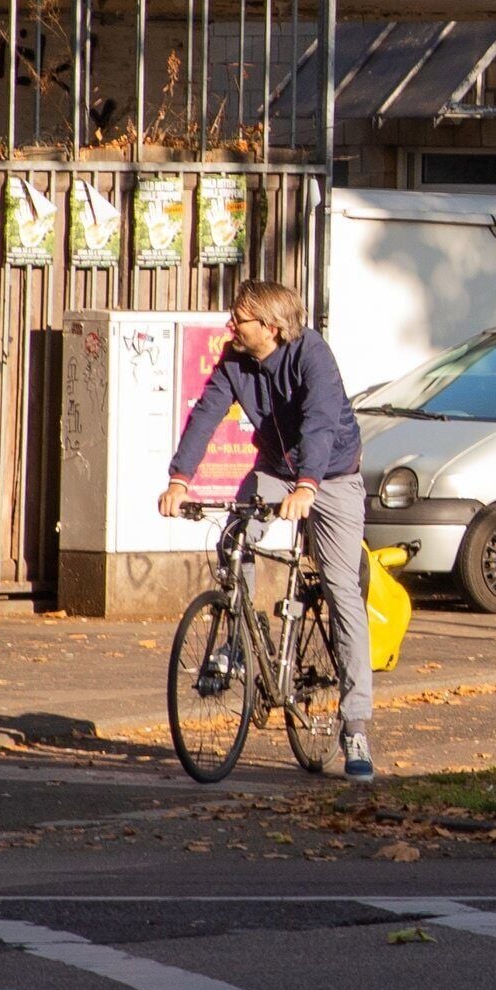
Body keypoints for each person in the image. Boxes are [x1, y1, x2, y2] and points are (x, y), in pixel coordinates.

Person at [157, 279, 375, 778]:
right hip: (277, 468)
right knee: (235, 537)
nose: (229, 326)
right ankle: (236, 639)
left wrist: (308, 487)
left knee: (341, 590)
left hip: (333, 474)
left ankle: (356, 727)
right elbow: (206, 413)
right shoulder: (235, 360)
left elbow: (320, 423)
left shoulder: (312, 355)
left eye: (239, 319)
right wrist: (179, 478)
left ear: (272, 327)